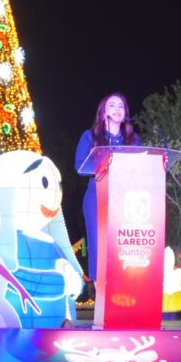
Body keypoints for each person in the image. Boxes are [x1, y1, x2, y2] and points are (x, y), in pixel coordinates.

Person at [74, 92, 141, 286]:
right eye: (112, 105)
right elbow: (80, 165)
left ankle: (123, 291)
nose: (117, 109)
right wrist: (104, 160)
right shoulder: (90, 136)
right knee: (98, 244)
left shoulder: (132, 139)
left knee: (121, 245)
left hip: (125, 199)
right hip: (97, 196)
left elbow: (140, 166)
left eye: (121, 106)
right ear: (103, 112)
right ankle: (101, 294)